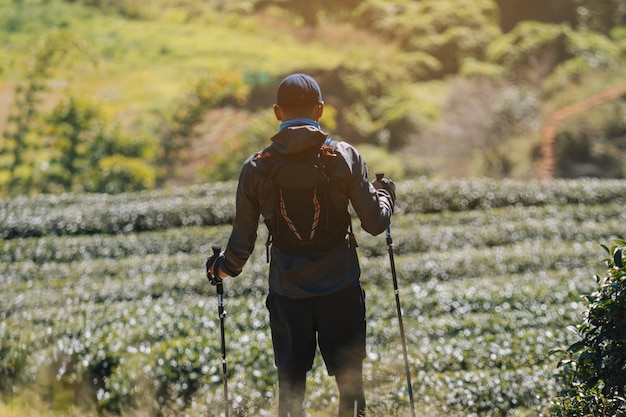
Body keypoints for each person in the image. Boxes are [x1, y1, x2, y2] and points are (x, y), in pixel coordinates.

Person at [206, 73, 395, 417]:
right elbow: (374, 223)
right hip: (341, 288)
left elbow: (242, 242)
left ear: (278, 113)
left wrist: (221, 269)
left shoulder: (257, 168)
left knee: (291, 388)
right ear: (320, 109)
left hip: (288, 293)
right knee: (351, 390)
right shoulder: (344, 157)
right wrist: (386, 197)